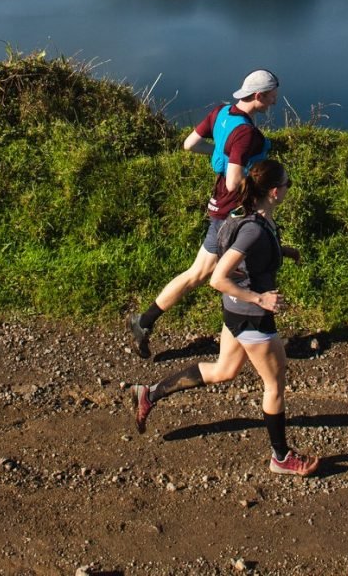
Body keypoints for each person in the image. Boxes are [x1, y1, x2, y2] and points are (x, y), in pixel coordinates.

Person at [130, 159, 319, 476]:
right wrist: (261, 298)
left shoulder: (253, 218)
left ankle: (150, 393)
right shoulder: (253, 230)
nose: (289, 188)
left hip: (235, 313)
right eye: (288, 184)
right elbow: (218, 277)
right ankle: (281, 457)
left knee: (224, 370)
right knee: (274, 385)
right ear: (274, 192)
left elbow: (250, 250)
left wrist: (284, 251)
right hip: (252, 318)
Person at [126, 69, 280, 359]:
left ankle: (146, 323)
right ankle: (250, 341)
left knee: (206, 273)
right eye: (272, 96)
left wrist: (217, 153)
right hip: (230, 216)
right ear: (258, 95)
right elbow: (235, 181)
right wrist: (255, 175)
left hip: (219, 207)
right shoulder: (246, 134)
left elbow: (190, 144)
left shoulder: (221, 113)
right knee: (217, 273)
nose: (274, 101)